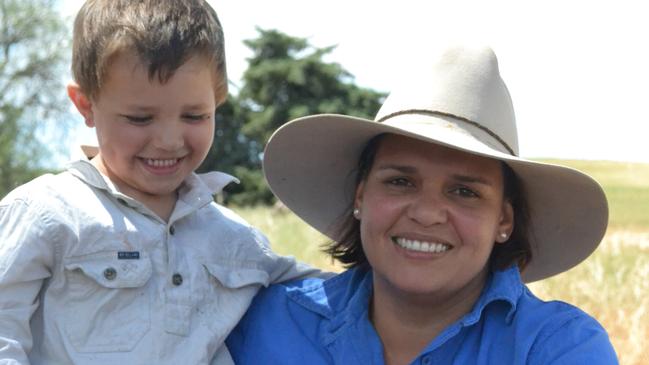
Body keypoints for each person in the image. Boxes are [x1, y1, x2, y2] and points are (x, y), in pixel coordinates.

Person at [227, 45, 619, 364]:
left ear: (504, 220)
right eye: (400, 182)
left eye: (464, 192)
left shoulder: (557, 349)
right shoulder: (271, 321)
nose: (427, 213)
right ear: (360, 196)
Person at [0, 1, 317, 364]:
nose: (169, 140)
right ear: (85, 104)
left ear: (219, 99)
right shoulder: (43, 214)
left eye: (195, 115)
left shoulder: (237, 240)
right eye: (139, 118)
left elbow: (337, 298)